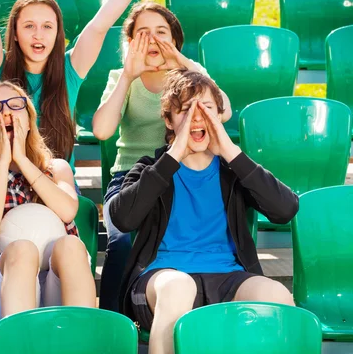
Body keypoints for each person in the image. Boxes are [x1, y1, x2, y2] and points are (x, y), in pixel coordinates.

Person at [109, 69, 298, 354]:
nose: (197, 118)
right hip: (163, 279)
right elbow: (122, 218)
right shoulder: (151, 169)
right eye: (185, 110)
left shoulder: (233, 170)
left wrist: (231, 151)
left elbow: (285, 209)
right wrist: (174, 156)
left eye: (206, 108)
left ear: (220, 116)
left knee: (276, 295)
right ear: (168, 120)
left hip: (228, 278)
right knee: (179, 287)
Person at [0, 0, 164, 168]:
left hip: (57, 184)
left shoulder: (69, 71)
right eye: (29, 26)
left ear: (57, 33)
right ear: (14, 33)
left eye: (47, 27)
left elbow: (100, 25)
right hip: (6, 183)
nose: (38, 35)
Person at [92, 1, 233, 311]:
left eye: (161, 33)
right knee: (124, 241)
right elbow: (102, 130)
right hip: (133, 178)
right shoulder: (121, 77)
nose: (153, 40)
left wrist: (180, 60)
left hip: (182, 179)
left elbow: (224, 111)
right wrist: (129, 76)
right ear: (130, 42)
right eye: (143, 33)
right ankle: (113, 320)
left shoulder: (188, 79)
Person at [0, 80, 95, 326]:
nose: (6, 112)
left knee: (72, 246)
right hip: (3, 294)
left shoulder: (57, 169)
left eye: (14, 105)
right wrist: (3, 162)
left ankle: (80, 338)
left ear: (29, 120)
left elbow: (67, 210)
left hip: (55, 286)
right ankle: (20, 342)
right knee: (22, 249)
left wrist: (21, 158)